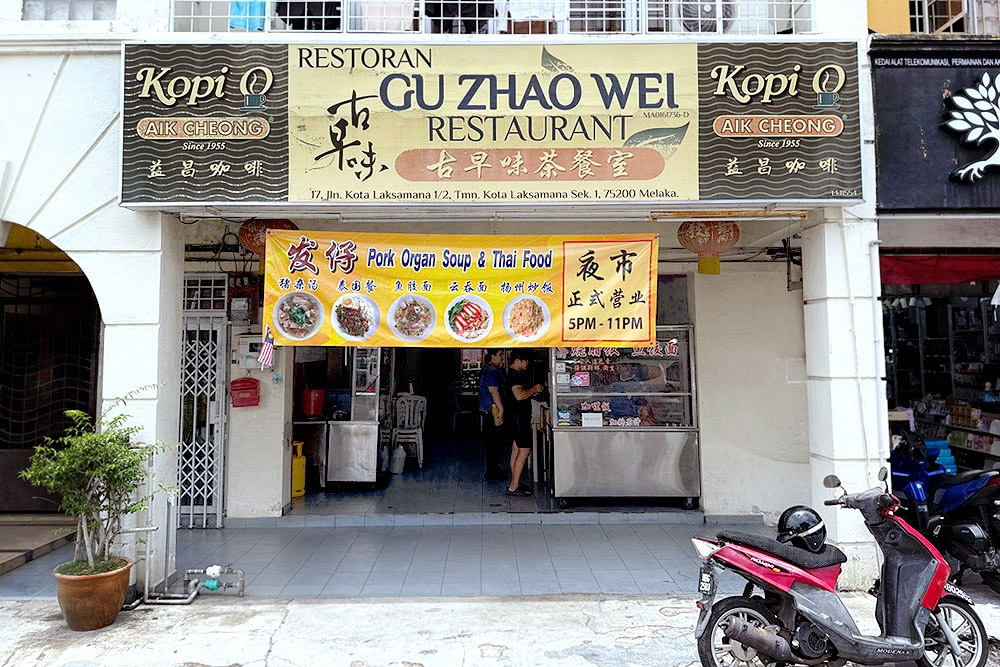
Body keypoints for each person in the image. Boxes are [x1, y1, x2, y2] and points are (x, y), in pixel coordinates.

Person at [504, 351, 545, 497]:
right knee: (525, 450)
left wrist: (529, 392)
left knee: (516, 450)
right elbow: (519, 395)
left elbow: (520, 393)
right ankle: (514, 486)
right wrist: (535, 388)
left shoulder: (510, 374)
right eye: (526, 361)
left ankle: (515, 481)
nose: (527, 365)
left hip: (513, 418)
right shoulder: (516, 375)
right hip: (518, 419)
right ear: (519, 360)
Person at [478, 349, 507, 481]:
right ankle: (492, 471)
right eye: (500, 355)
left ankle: (493, 469)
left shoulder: (489, 369)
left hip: (489, 410)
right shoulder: (491, 371)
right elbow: (493, 390)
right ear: (492, 356)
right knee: (495, 442)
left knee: (493, 442)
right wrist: (501, 409)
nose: (502, 358)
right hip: (493, 411)